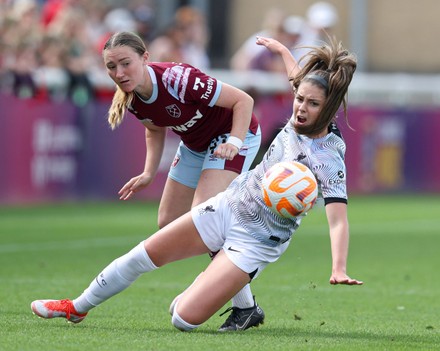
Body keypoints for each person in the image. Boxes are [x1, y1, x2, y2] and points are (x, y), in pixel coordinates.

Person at [30, 35, 363, 333]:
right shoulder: (298, 111)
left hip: (257, 242)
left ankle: (228, 293)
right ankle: (77, 306)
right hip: (230, 206)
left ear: (329, 107)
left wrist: (339, 267)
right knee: (147, 248)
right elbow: (296, 78)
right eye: (299, 98)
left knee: (182, 318)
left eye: (312, 103)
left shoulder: (329, 156)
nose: (301, 108)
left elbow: (337, 219)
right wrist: (280, 51)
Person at [102, 31, 263, 330]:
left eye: (125, 63)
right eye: (112, 67)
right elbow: (155, 129)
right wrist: (149, 172)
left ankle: (245, 306)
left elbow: (243, 100)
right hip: (194, 145)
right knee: (168, 222)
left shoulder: (179, 79)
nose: (119, 73)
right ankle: (230, 269)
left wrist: (235, 141)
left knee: (205, 218)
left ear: (145, 57)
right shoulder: (134, 96)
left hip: (233, 135)